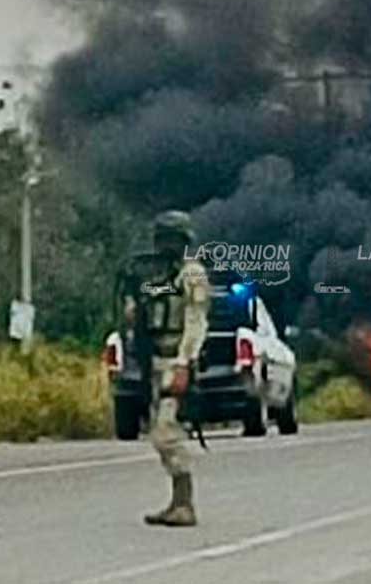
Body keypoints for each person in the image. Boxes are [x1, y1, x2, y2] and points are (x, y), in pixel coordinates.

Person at [124, 211, 210, 526]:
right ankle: (177, 501)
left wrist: (184, 363)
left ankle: (185, 503)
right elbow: (138, 317)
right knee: (159, 433)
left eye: (170, 239)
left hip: (176, 358)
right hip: (155, 360)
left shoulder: (192, 275)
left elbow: (196, 323)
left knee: (166, 434)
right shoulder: (154, 278)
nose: (164, 245)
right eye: (162, 239)